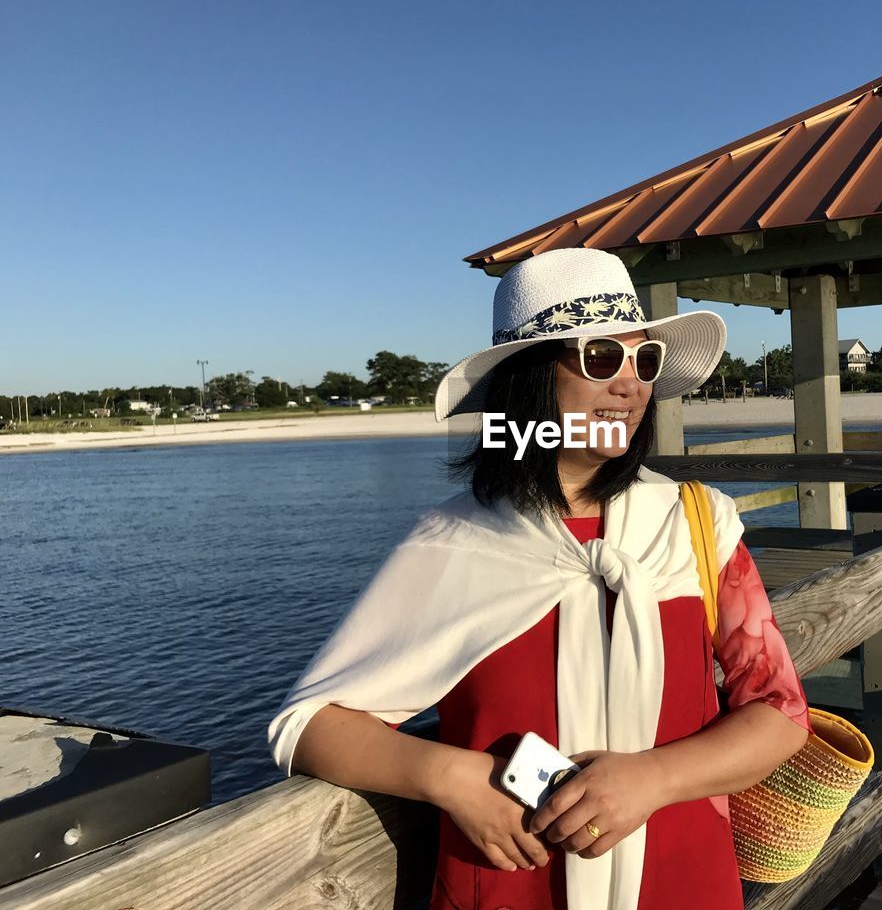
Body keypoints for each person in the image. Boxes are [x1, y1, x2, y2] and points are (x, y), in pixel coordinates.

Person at [268, 248, 810, 910]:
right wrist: (451, 777)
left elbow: (781, 714)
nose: (631, 386)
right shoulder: (456, 541)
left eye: (645, 362)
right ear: (528, 379)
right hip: (505, 887)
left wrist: (652, 780)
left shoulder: (695, 524)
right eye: (601, 359)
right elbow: (307, 725)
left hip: (686, 880)